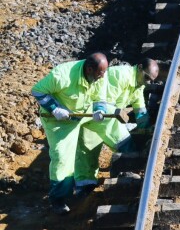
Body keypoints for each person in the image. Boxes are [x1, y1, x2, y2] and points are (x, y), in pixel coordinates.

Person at [32, 52, 110, 215]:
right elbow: (38, 91)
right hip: (59, 121)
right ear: (89, 69)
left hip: (82, 111)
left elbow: (100, 97)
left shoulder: (101, 73)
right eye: (99, 74)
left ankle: (85, 184)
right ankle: (58, 199)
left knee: (91, 142)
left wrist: (99, 111)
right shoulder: (63, 75)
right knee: (62, 158)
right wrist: (55, 109)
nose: (102, 77)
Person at [74, 57, 160, 196]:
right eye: (146, 77)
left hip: (105, 116)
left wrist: (147, 127)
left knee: (88, 148)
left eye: (151, 81)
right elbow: (105, 102)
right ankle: (84, 186)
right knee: (120, 143)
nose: (147, 82)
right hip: (96, 112)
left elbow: (140, 109)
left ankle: (87, 184)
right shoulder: (121, 75)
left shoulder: (138, 85)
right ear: (139, 68)